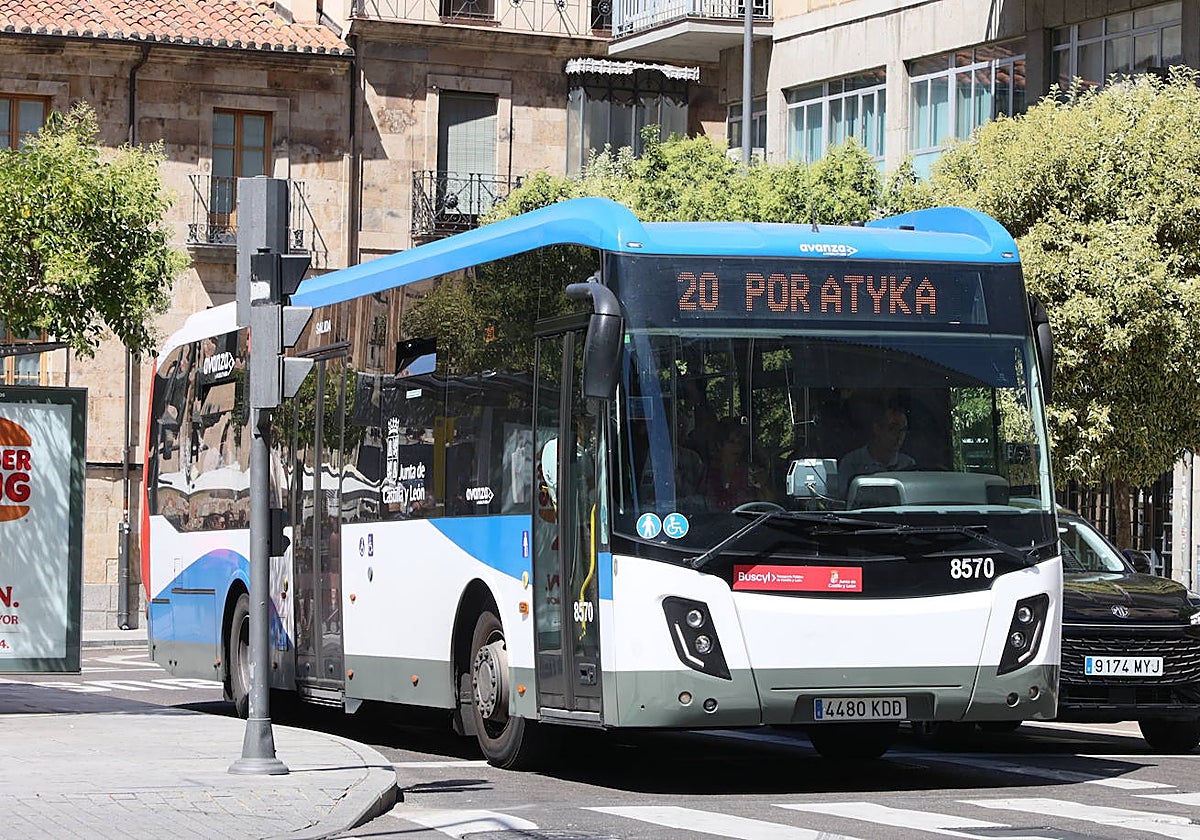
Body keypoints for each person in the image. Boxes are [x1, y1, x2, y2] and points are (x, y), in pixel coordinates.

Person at [838, 404, 915, 498]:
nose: (900, 435)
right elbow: (843, 501)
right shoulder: (851, 463)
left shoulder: (908, 464)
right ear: (877, 428)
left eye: (903, 430)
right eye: (893, 428)